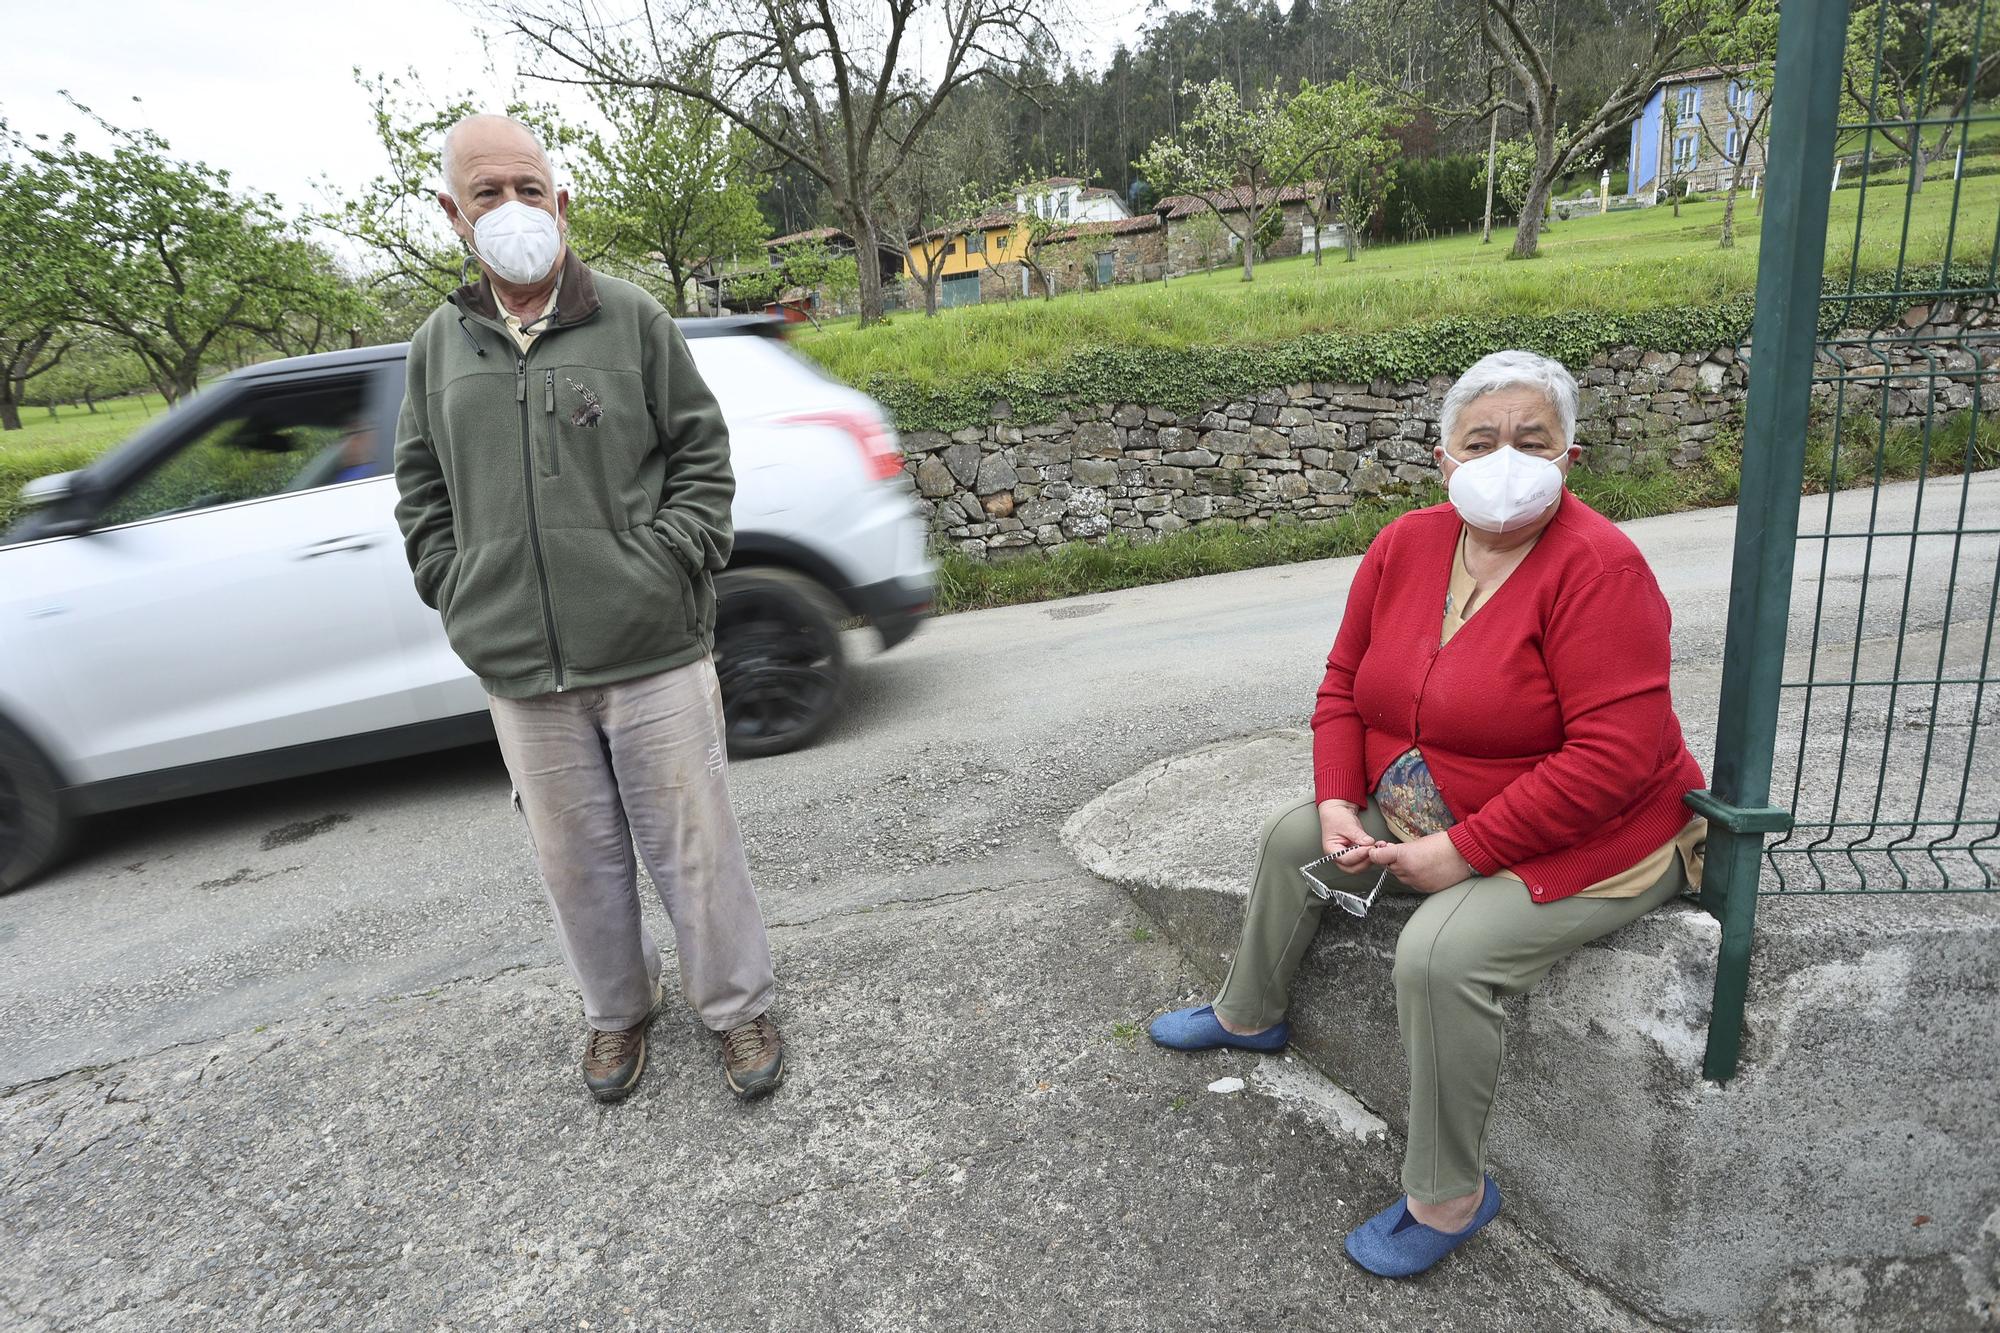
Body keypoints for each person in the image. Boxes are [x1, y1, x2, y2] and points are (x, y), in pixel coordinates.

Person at [1147, 349, 1706, 1276]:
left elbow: (1611, 762)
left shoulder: (1601, 570)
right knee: (1295, 841)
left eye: (1533, 438)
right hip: (1431, 806)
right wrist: (1336, 797)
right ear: (1443, 458)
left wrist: (1465, 850)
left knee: (1441, 954)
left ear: (1570, 457)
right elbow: (1341, 687)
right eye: (1480, 439)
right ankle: (1249, 1015)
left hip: (1603, 834)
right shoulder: (1405, 544)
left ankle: (1448, 1194)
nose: (1505, 458)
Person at [392, 114, 785, 1104]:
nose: (512, 208)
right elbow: (419, 489)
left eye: (529, 187)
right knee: (575, 863)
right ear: (452, 213)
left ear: (561, 202)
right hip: (521, 666)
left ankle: (736, 1009)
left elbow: (702, 458)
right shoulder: (437, 347)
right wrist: (458, 586)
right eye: (487, 193)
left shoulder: (632, 319)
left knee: (696, 845)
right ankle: (616, 1013)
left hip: (651, 647)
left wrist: (669, 561)